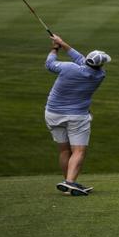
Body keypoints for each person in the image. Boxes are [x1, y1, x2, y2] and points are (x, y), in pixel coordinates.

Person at [43, 33, 111, 196]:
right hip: (77, 117)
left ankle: (68, 183)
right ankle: (70, 182)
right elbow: (80, 59)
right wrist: (62, 43)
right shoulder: (99, 75)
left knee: (64, 151)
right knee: (79, 151)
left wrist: (55, 48)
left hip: (52, 113)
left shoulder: (68, 68)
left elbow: (49, 64)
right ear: (100, 65)